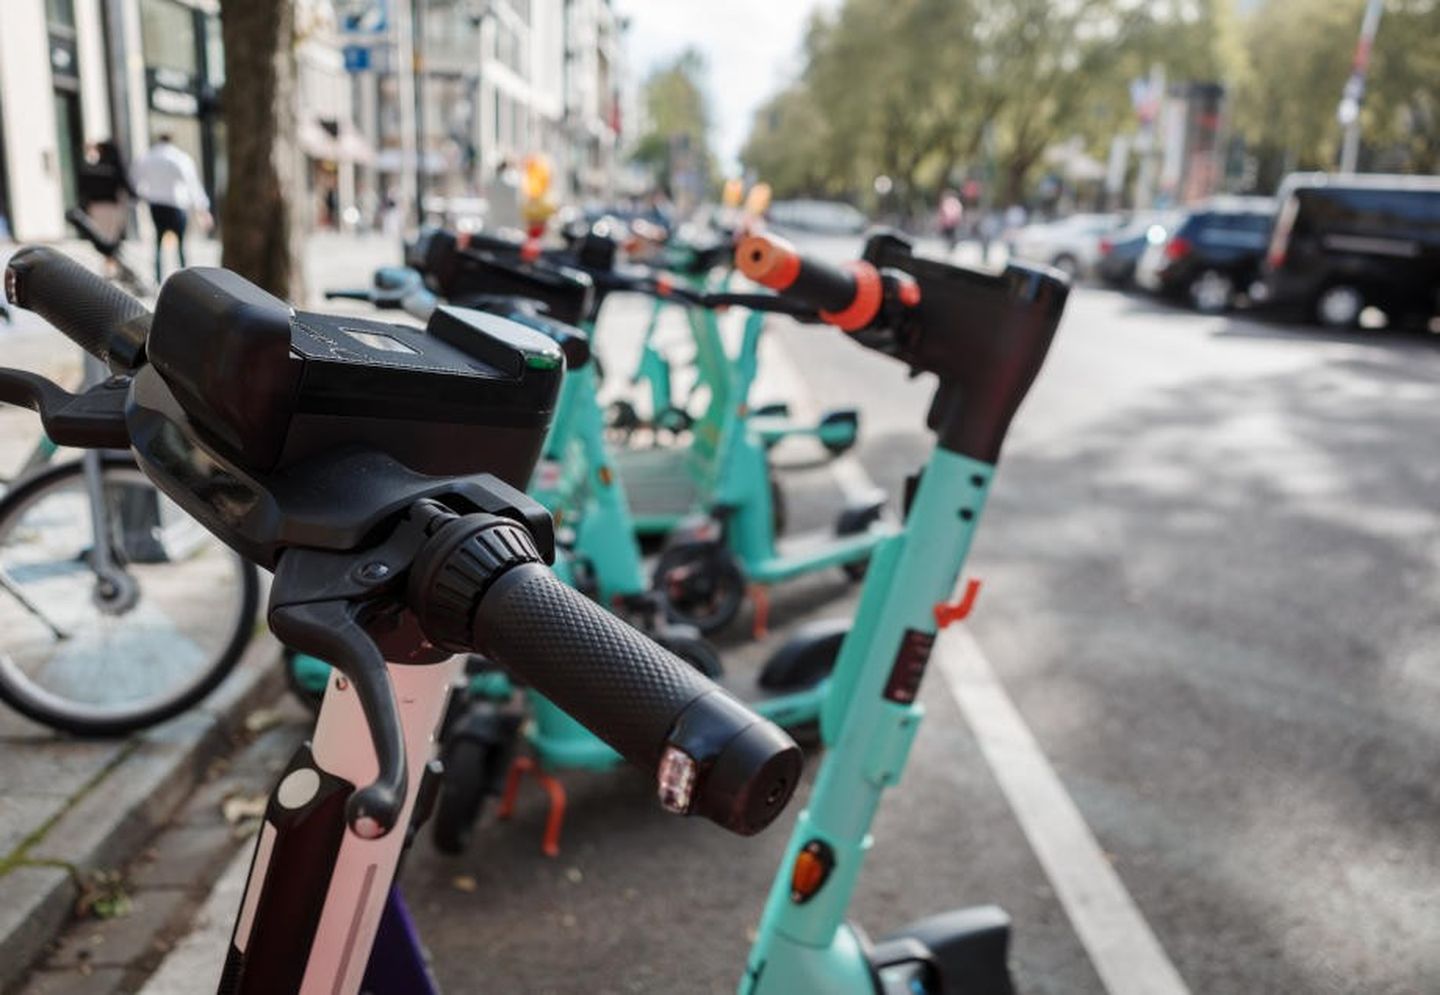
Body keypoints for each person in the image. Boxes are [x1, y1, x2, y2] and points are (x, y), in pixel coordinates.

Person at [131, 134, 211, 284]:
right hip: (176, 205)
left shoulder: (148, 157)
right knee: (181, 245)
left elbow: (135, 180)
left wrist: (143, 196)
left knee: (158, 243)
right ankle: (185, 279)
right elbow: (192, 184)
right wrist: (202, 208)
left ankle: (158, 277)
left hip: (156, 205)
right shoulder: (179, 158)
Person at [77, 140, 137, 274]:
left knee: (103, 238)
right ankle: (111, 265)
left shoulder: (91, 169)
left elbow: (83, 190)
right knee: (112, 239)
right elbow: (127, 187)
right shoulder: (115, 168)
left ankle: (110, 264)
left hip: (95, 207)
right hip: (112, 207)